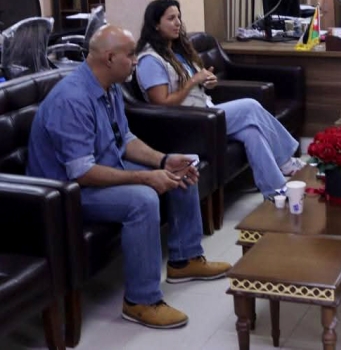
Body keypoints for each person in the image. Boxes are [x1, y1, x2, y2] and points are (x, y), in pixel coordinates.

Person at [26, 25, 231, 329]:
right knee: (143, 200)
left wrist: (164, 161)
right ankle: (141, 301)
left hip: (100, 172)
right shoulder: (71, 99)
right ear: (109, 58)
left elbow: (125, 140)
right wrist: (146, 178)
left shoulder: (109, 87)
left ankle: (185, 259)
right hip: (65, 194)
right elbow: (82, 172)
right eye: (131, 54)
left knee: (181, 170)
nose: (136, 60)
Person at [135, 0, 304, 198]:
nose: (178, 23)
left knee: (252, 133)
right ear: (156, 24)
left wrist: (207, 82)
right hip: (186, 123)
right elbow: (161, 103)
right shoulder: (150, 60)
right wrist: (192, 81)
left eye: (179, 17)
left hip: (205, 112)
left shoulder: (176, 50)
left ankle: (276, 192)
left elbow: (192, 84)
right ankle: (285, 160)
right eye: (171, 18)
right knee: (250, 106)